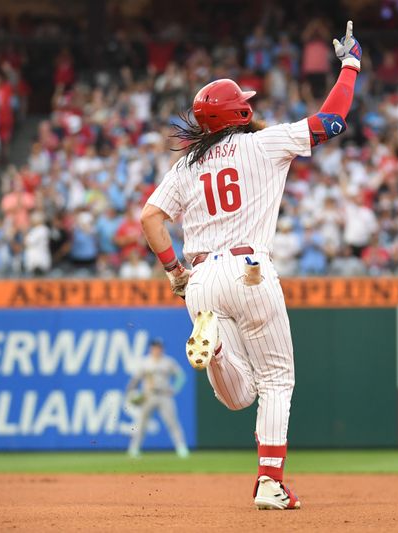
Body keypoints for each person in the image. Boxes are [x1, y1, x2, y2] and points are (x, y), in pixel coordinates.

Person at [140, 21, 362, 510]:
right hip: (248, 270)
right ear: (238, 111)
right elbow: (332, 121)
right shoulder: (262, 143)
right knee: (278, 380)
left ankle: (216, 349)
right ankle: (269, 483)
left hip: (199, 281)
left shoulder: (185, 167)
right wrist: (350, 65)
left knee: (239, 395)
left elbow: (150, 218)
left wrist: (174, 272)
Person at [125, 338, 189, 458]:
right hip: (148, 396)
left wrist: (175, 388)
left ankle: (181, 448)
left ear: (162, 348)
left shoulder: (168, 362)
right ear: (151, 348)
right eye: (154, 347)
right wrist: (130, 392)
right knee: (141, 424)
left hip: (164, 396)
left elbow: (181, 376)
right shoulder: (145, 362)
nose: (156, 349)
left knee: (172, 423)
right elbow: (135, 380)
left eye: (158, 347)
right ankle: (134, 449)